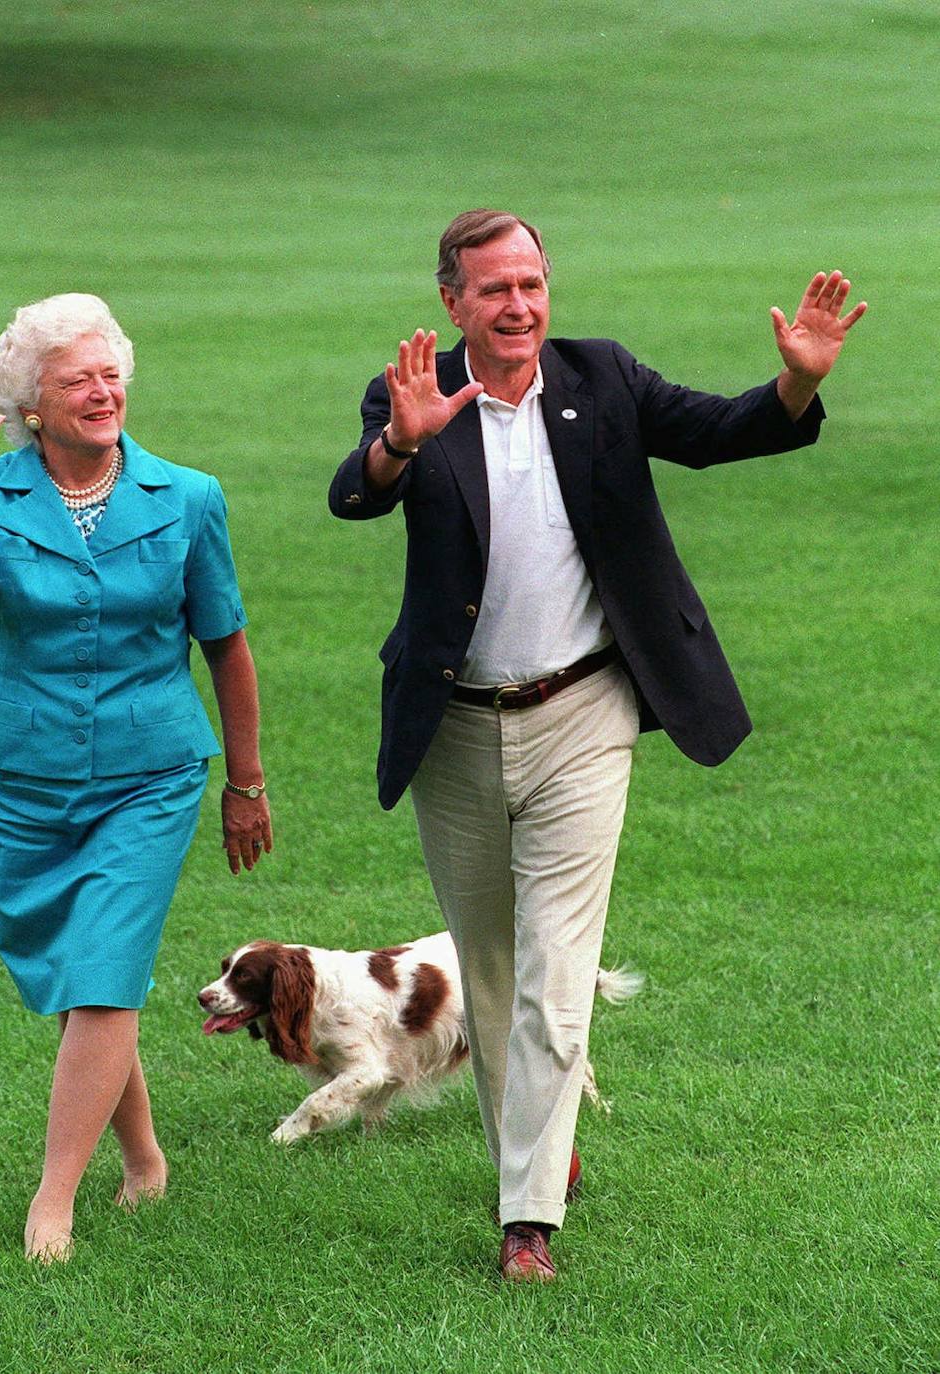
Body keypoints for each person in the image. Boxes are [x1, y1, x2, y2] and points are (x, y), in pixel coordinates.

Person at [328, 210, 865, 1282]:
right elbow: (354, 493)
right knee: (485, 966)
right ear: (452, 302)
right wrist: (402, 439)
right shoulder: (415, 391)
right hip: (454, 726)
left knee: (556, 970)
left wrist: (796, 383)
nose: (518, 306)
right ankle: (537, 1144)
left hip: (583, 711)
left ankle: (525, 1216)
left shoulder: (602, 378)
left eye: (530, 283)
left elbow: (720, 430)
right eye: (493, 290)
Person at [0, 293, 273, 1264]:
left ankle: (53, 1203)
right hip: (19, 777)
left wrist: (245, 782)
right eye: (77, 380)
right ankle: (145, 1156)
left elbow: (226, 646)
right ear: (33, 404)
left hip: (149, 776)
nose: (102, 391)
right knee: (77, 982)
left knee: (106, 976)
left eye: (111, 374)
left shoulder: (187, 498)